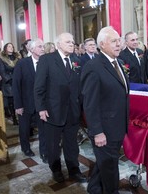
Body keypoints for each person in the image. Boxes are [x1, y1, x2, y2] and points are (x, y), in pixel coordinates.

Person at [81, 26, 129, 194]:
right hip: (105, 129)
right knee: (110, 167)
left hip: (118, 126)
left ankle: (94, 188)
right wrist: (97, 132)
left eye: (119, 40)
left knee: (105, 162)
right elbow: (90, 104)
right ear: (102, 44)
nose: (119, 44)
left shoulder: (119, 63)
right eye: (114, 41)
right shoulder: (93, 67)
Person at [34, 32, 87, 183]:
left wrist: (82, 108)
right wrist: (41, 108)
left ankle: (74, 170)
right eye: (68, 42)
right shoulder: (47, 60)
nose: (72, 44)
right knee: (53, 145)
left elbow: (80, 87)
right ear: (58, 45)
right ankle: (56, 170)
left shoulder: (76, 60)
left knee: (72, 144)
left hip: (72, 112)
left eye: (73, 41)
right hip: (53, 111)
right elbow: (39, 87)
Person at [12, 39, 47, 161]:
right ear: (31, 49)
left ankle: (44, 152)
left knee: (43, 129)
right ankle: (25, 148)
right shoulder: (22, 63)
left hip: (42, 104)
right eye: (39, 46)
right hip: (26, 103)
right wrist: (18, 105)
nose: (43, 48)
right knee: (25, 128)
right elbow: (16, 85)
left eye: (43, 46)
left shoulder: (47, 62)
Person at [0, 42, 21, 125]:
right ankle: (14, 118)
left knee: (19, 100)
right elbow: (2, 72)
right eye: (9, 46)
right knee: (11, 102)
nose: (11, 48)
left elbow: (21, 68)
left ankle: (20, 116)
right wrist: (10, 80)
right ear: (5, 48)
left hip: (18, 81)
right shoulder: (2, 59)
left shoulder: (17, 57)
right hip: (9, 83)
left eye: (12, 46)